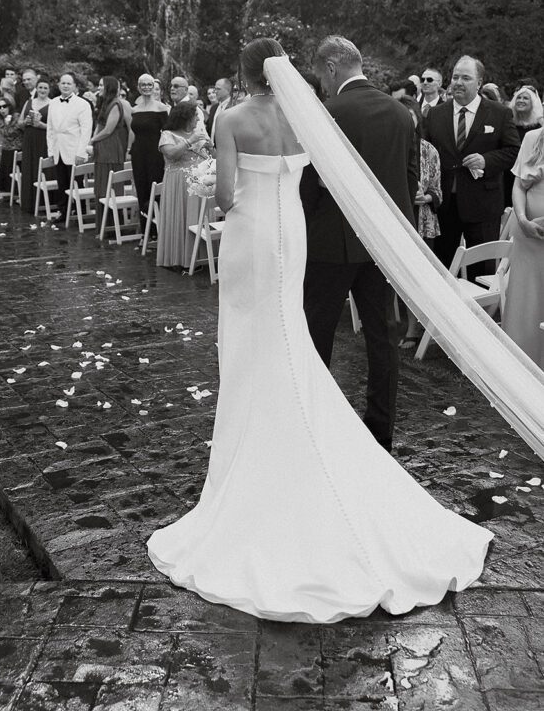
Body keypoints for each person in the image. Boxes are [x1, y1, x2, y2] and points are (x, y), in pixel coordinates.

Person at [147, 37, 492, 624]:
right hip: (305, 237)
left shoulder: (233, 117)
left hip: (263, 235)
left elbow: (228, 197)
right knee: (315, 335)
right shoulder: (315, 116)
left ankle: (268, 448)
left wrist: (207, 183)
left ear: (244, 71)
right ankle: (339, 427)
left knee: (268, 339)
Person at [300, 36, 417, 452]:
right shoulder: (402, 114)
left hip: (330, 245)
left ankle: (314, 423)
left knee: (317, 334)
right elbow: (409, 180)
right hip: (382, 246)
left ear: (332, 67)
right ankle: (380, 430)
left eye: (319, 75)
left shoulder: (326, 113)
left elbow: (309, 184)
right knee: (384, 337)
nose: (321, 84)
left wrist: (309, 226)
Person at [426, 55, 520, 280]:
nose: (458, 82)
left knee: (481, 269)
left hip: (483, 205)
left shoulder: (499, 113)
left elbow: (513, 152)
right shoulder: (436, 114)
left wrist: (486, 161)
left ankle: (479, 313)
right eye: (455, 76)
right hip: (445, 205)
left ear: (479, 83)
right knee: (443, 266)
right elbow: (426, 153)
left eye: (466, 78)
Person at [397, 96, 442, 349]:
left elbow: (438, 189)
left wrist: (426, 196)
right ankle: (397, 322)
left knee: (418, 277)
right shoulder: (389, 145)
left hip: (422, 220)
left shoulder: (428, 150)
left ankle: (414, 329)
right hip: (396, 217)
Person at [501, 127, 544, 368]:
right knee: (526, 301)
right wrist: (521, 219)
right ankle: (522, 366)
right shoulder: (533, 137)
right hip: (530, 237)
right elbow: (519, 186)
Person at [156, 102, 212, 269]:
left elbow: (210, 157)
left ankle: (201, 256)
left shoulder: (198, 133)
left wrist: (210, 146)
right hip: (178, 183)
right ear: (185, 117)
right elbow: (171, 154)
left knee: (199, 216)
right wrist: (190, 141)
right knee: (181, 216)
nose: (197, 119)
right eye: (195, 116)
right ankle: (179, 258)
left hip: (200, 181)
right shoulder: (167, 134)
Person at [46, 72, 93, 221]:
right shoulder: (53, 102)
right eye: (63, 83)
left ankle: (81, 211)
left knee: (76, 182)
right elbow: (50, 129)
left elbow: (86, 130)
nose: (65, 86)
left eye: (69, 83)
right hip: (58, 148)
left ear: (74, 86)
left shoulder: (83, 104)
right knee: (62, 182)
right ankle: (63, 211)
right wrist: (51, 150)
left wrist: (81, 152)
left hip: (74, 149)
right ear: (59, 85)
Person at [130, 73, 168, 232]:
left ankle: (157, 229)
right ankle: (145, 230)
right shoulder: (134, 110)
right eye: (143, 84)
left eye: (149, 84)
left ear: (154, 87)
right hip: (138, 154)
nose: (146, 87)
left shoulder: (161, 108)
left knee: (155, 190)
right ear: (138, 87)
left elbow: (167, 133)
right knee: (141, 189)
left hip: (155, 154)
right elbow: (132, 134)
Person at [89, 76, 129, 203]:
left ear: (108, 87)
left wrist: (92, 140)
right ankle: (101, 219)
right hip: (102, 148)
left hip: (111, 148)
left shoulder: (116, 104)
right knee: (101, 183)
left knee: (109, 184)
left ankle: (112, 220)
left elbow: (108, 130)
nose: (98, 88)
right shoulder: (104, 103)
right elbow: (100, 125)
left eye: (101, 85)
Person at [505, 86, 543, 206]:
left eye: (525, 98)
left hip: (527, 177)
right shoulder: (507, 124)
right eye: (518, 97)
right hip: (507, 174)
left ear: (533, 104)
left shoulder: (538, 129)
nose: (521, 100)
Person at [20, 79, 51, 215]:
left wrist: (41, 125)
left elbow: (56, 127)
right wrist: (25, 122)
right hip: (28, 139)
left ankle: (45, 203)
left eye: (45, 88)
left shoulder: (53, 104)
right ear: (36, 88)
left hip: (43, 140)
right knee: (28, 168)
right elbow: (19, 123)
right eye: (40, 87)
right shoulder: (29, 102)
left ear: (49, 90)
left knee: (43, 169)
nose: (42, 90)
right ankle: (28, 203)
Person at [0, 97, 24, 195]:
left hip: (17, 149)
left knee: (11, 159)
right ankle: (8, 192)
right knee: (6, 156)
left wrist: (8, 124)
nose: (2, 109)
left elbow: (13, 132)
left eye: (4, 106)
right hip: (6, 149)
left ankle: (17, 192)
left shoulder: (16, 117)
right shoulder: (1, 120)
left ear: (9, 106)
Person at [207, 77, 233, 144]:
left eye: (218, 89)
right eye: (215, 89)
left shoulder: (234, 107)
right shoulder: (213, 108)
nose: (215, 91)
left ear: (228, 90)